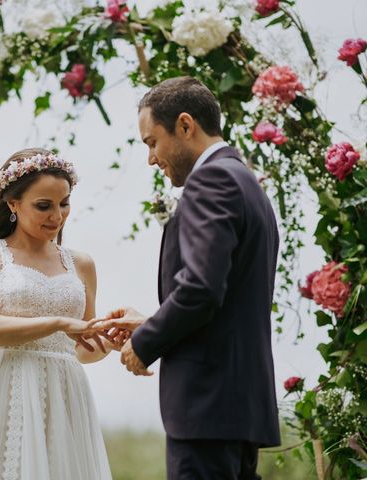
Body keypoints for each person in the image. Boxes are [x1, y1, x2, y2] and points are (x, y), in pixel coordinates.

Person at [93, 76, 281, 479]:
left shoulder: (211, 181)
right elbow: (225, 295)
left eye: (151, 142)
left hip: (207, 406)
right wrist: (150, 320)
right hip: (237, 406)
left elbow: (200, 289)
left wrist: (147, 340)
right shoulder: (245, 181)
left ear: (184, 125)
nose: (150, 158)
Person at [0, 148, 122, 480]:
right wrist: (59, 323)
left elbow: (80, 349)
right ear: (13, 204)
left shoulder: (81, 264)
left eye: (64, 203)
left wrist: (107, 340)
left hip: (64, 396)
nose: (57, 216)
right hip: (5, 390)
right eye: (44, 206)